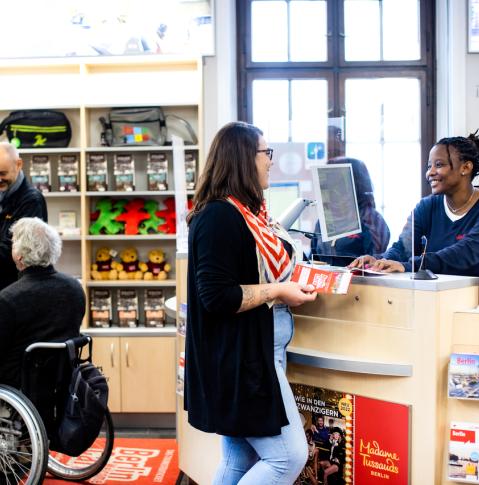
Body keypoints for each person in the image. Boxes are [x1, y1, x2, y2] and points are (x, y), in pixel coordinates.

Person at [185, 121, 317, 484]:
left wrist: (295, 282)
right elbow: (216, 296)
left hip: (250, 356)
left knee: (239, 461)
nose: (271, 161)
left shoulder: (250, 214)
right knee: (288, 457)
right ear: (244, 158)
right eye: (266, 152)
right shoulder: (219, 216)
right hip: (241, 362)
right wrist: (278, 291)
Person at [349, 133, 479, 276]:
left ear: (466, 168)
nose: (430, 172)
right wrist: (379, 261)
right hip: (433, 296)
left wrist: (411, 265)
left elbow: (466, 252)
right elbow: (403, 248)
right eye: (429, 166)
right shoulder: (426, 207)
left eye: (439, 165)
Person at [0, 217, 85, 389]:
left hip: (19, 388)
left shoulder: (9, 298)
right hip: (65, 385)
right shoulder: (75, 288)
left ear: (19, 255)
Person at [311, 157, 390, 265]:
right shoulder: (324, 221)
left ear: (354, 183)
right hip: (328, 280)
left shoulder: (371, 219)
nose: (329, 188)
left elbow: (377, 262)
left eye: (336, 182)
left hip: (360, 281)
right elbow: (314, 258)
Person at [0, 142, 48, 290]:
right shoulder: (3, 193)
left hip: (16, 289)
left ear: (18, 164)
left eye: (3, 173)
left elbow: (18, 251)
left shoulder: (32, 201)